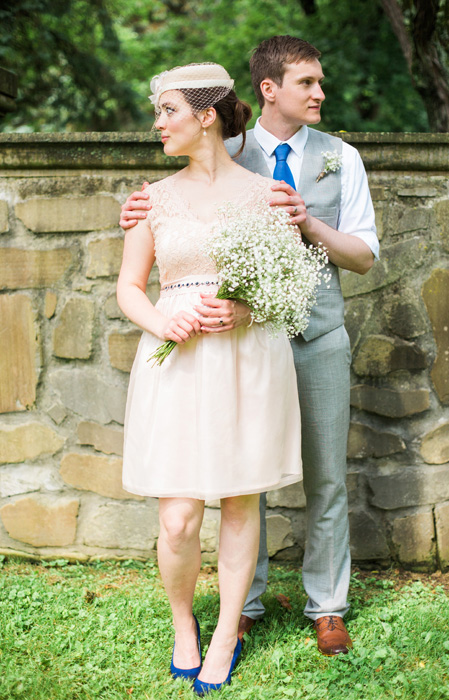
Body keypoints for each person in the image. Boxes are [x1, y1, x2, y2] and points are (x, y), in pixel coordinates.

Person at [120, 36, 380, 658]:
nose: (320, 93)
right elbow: (138, 270)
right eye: (307, 82)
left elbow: (350, 261)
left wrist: (294, 237)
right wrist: (161, 304)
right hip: (201, 352)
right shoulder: (211, 165)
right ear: (266, 90)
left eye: (167, 112)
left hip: (289, 339)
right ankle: (233, 613)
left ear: (204, 113)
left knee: (308, 480)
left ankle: (323, 607)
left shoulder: (332, 162)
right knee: (212, 500)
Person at [116, 62, 302, 695]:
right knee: (178, 519)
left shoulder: (266, 195)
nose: (156, 122)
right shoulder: (152, 199)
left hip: (246, 359)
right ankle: (183, 627)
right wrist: (163, 322)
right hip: (178, 359)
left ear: (206, 115)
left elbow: (286, 289)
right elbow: (128, 288)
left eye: (167, 109)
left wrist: (244, 308)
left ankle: (225, 633)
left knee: (240, 502)